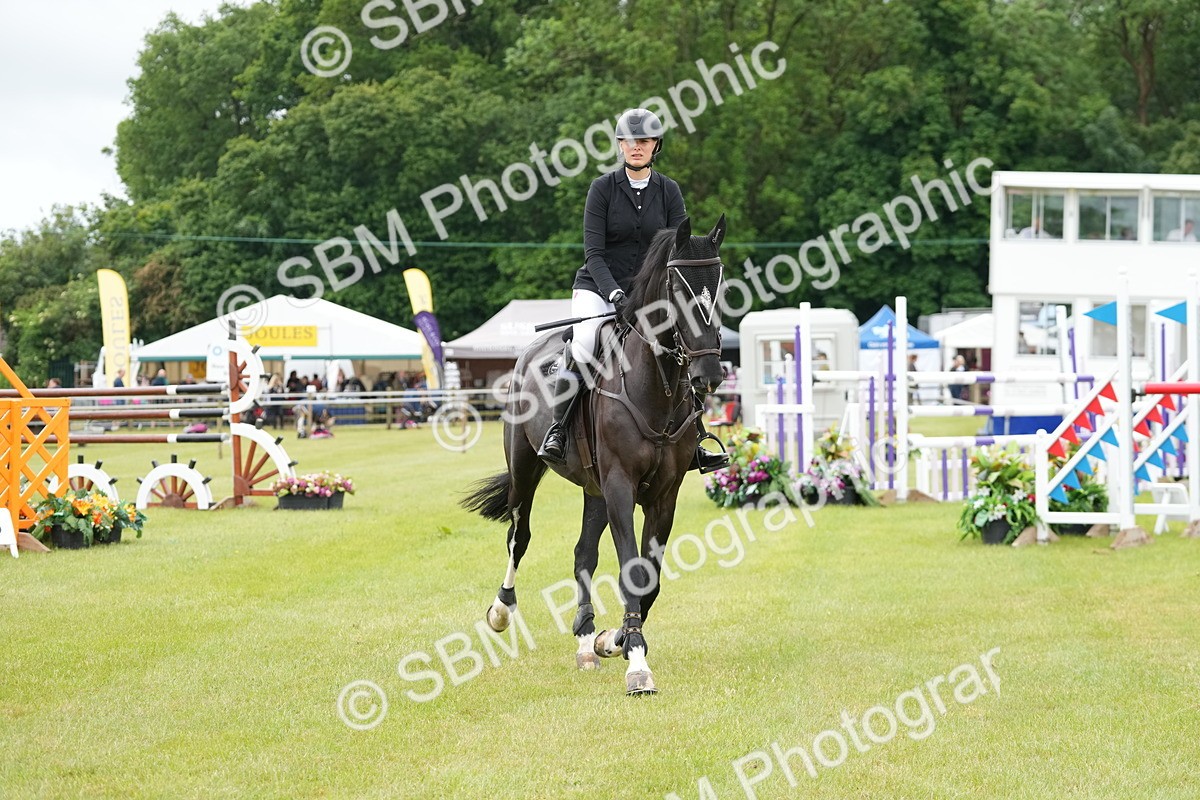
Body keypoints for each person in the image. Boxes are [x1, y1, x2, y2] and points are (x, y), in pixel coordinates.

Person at [537, 107, 729, 473]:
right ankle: (558, 430)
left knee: (683, 346)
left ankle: (697, 438)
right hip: (599, 287)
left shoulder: (669, 191)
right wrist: (614, 295)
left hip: (649, 295)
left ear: (656, 145)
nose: (636, 147)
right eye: (628, 141)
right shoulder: (602, 190)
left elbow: (678, 249)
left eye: (643, 141)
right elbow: (593, 254)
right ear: (620, 145)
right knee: (584, 342)